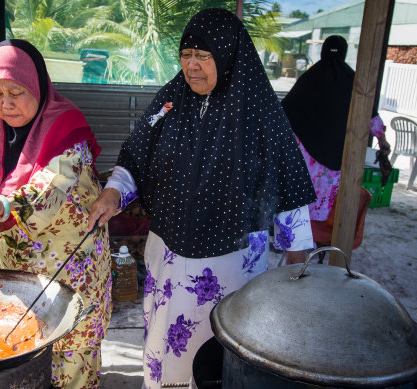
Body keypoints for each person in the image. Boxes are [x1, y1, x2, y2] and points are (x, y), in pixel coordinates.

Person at [87, 8, 317, 388]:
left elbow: (289, 187)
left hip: (233, 259)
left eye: (203, 56)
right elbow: (135, 156)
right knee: (165, 340)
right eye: (186, 55)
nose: (192, 66)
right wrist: (113, 192)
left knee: (221, 348)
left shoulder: (259, 111)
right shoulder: (172, 98)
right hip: (170, 254)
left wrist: (297, 257)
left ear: (226, 56)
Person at [0, 39, 112, 389]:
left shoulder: (66, 125)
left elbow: (51, 185)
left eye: (16, 91)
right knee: (26, 342)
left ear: (37, 85)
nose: (5, 104)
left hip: (72, 261)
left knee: (72, 348)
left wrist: (1, 205)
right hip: (18, 261)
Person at [281, 35, 391, 223]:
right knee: (323, 197)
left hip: (305, 154)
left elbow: (285, 112)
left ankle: (299, 235)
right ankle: (315, 237)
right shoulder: (352, 80)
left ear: (323, 50)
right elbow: (371, 116)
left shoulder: (309, 77)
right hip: (336, 153)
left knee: (300, 198)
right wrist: (382, 140)